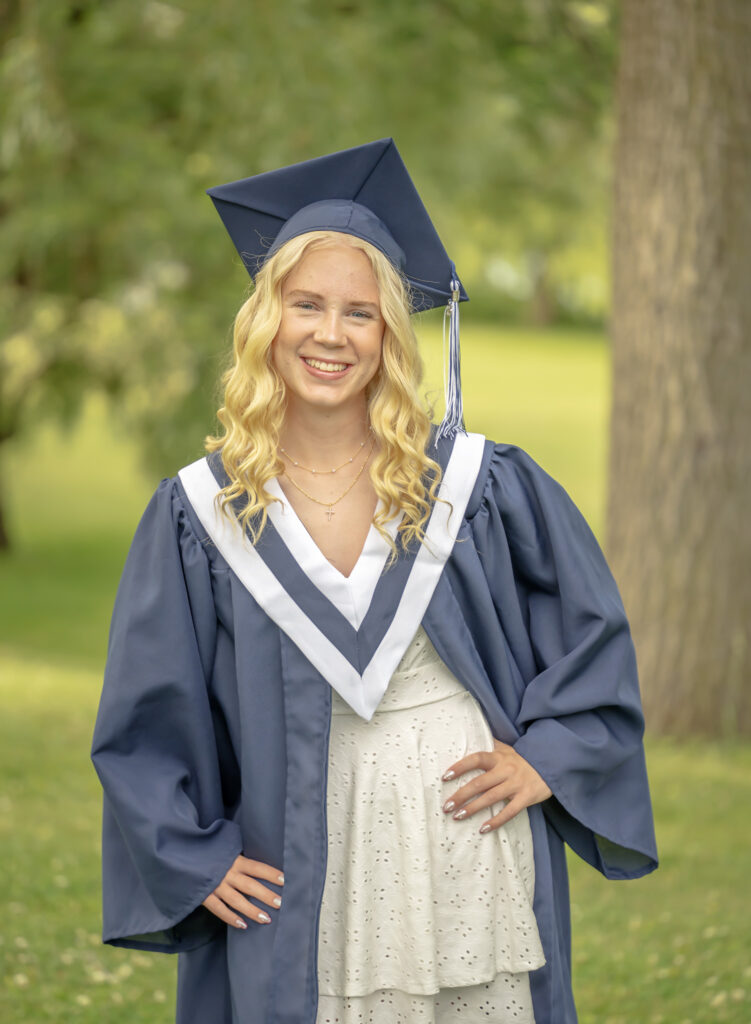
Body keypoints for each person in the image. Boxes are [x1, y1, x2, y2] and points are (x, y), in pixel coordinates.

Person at [90, 138, 658, 1024]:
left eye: (360, 313)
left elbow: (590, 636)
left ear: (391, 332)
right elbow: (144, 716)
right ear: (262, 321)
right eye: (304, 304)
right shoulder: (201, 515)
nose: (329, 334)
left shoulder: (475, 485)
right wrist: (192, 857)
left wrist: (548, 758)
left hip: (464, 835)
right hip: (304, 846)